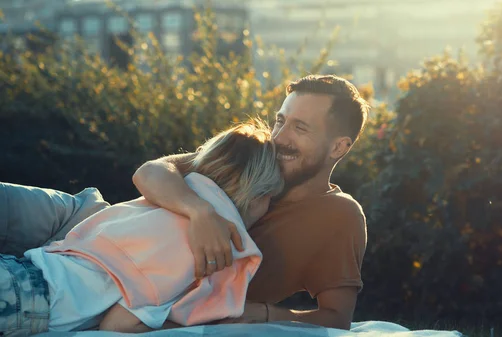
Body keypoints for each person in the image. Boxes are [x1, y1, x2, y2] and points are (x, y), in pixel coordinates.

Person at [0, 74, 370, 331]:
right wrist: (199, 212)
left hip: (118, 276)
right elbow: (149, 174)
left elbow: (336, 318)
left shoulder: (339, 216)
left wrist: (253, 313)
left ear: (339, 146)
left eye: (299, 128)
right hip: (96, 227)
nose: (279, 137)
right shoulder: (255, 155)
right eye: (280, 120)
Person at [0, 122, 284, 336]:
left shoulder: (174, 197)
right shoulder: (202, 248)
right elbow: (118, 325)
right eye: (270, 198)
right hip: (28, 304)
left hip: (23, 270)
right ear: (258, 195)